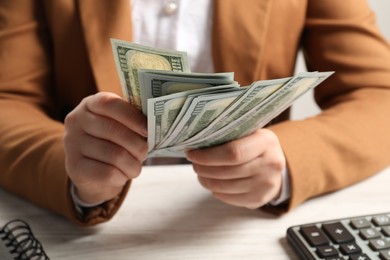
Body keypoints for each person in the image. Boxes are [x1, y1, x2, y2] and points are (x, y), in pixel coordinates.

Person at [1, 0, 390, 227]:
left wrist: (289, 159)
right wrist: (72, 170)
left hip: (241, 226)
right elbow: (8, 100)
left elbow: (380, 93)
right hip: (92, 230)